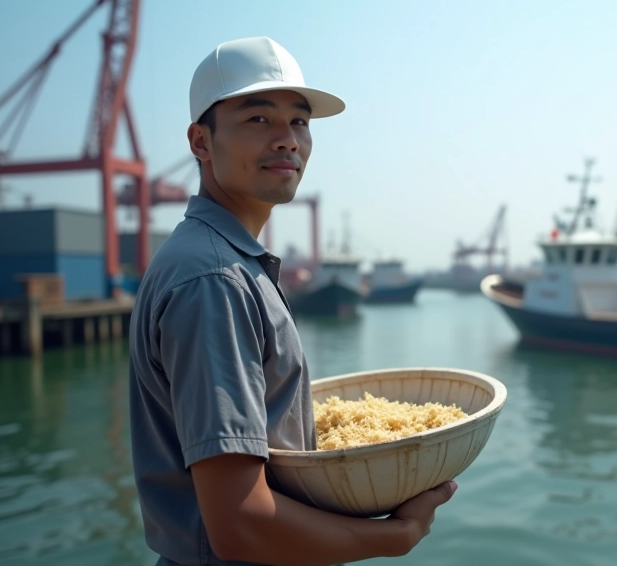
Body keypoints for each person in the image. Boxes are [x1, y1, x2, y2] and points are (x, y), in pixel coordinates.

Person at [128, 36, 456, 566]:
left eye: (299, 122)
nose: (287, 140)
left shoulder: (223, 261)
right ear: (200, 142)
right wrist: (392, 538)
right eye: (258, 119)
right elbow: (240, 523)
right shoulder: (216, 280)